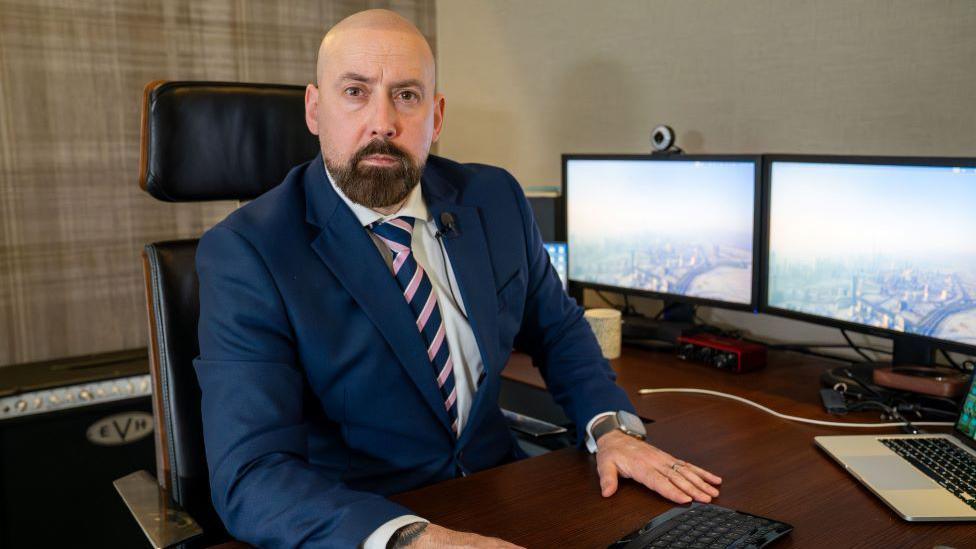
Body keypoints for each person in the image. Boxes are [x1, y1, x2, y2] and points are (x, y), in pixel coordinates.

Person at [194, 9, 721, 549]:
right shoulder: (247, 252)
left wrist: (610, 428)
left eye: (406, 95)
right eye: (355, 91)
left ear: (437, 115)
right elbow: (252, 475)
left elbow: (558, 329)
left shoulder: (494, 199)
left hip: (503, 494)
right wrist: (414, 540)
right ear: (314, 109)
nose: (382, 122)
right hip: (367, 524)